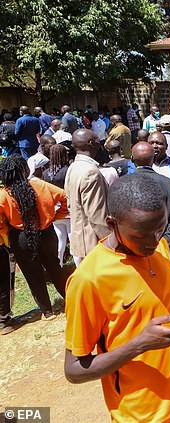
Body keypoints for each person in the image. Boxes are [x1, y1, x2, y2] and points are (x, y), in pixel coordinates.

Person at [64, 173, 170, 422]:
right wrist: (140, 344)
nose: (152, 241)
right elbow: (74, 370)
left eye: (159, 229)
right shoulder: (89, 279)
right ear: (112, 224)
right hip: (139, 416)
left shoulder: (160, 248)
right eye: (140, 235)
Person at [0, 155, 68, 322]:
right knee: (54, 267)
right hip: (46, 232)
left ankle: (47, 312)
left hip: (21, 238)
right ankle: (71, 299)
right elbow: (65, 197)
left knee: (33, 275)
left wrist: (6, 231)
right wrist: (55, 216)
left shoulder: (4, 195)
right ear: (26, 170)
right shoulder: (39, 184)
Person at [131, 142, 170, 271]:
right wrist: (164, 243)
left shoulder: (122, 185)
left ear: (132, 159)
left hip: (135, 248)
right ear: (154, 159)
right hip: (167, 248)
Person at [65, 129, 110, 265]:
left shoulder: (73, 167)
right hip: (94, 241)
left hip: (80, 236)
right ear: (91, 143)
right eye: (97, 139)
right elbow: (96, 214)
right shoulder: (91, 171)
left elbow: (69, 203)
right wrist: (110, 242)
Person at [42, 144, 72, 267]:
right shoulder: (68, 170)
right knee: (74, 241)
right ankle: (78, 266)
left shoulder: (45, 173)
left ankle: (59, 265)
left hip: (54, 211)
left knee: (60, 240)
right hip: (68, 210)